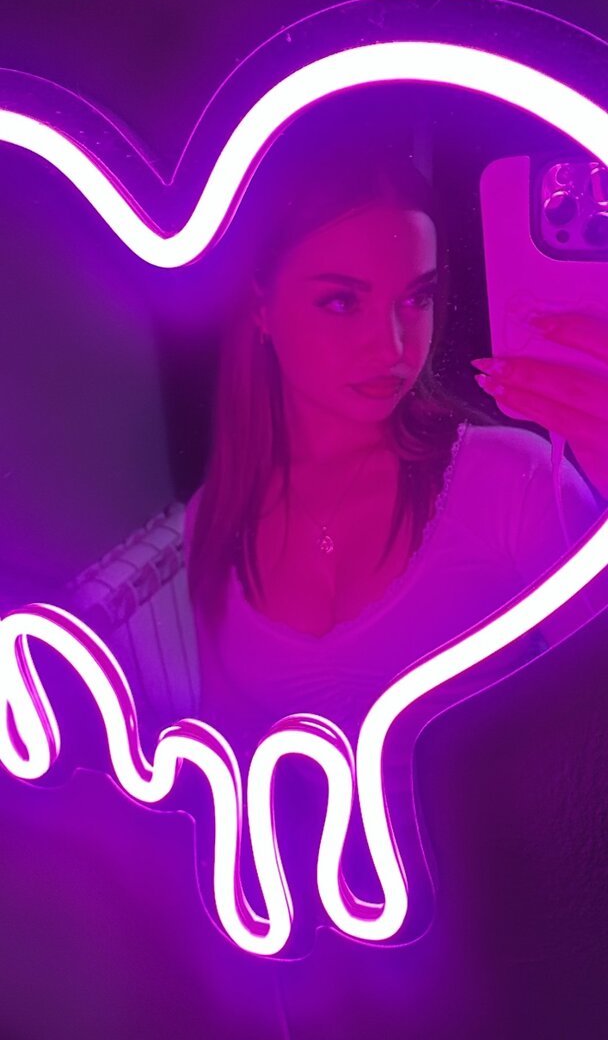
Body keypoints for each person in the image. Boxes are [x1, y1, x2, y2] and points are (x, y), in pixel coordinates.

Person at [182, 99, 608, 1032]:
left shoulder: (511, 480)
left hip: (520, 984)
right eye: (341, 300)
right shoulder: (215, 521)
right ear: (261, 306)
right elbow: (236, 804)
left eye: (416, 296)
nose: (392, 346)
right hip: (319, 994)